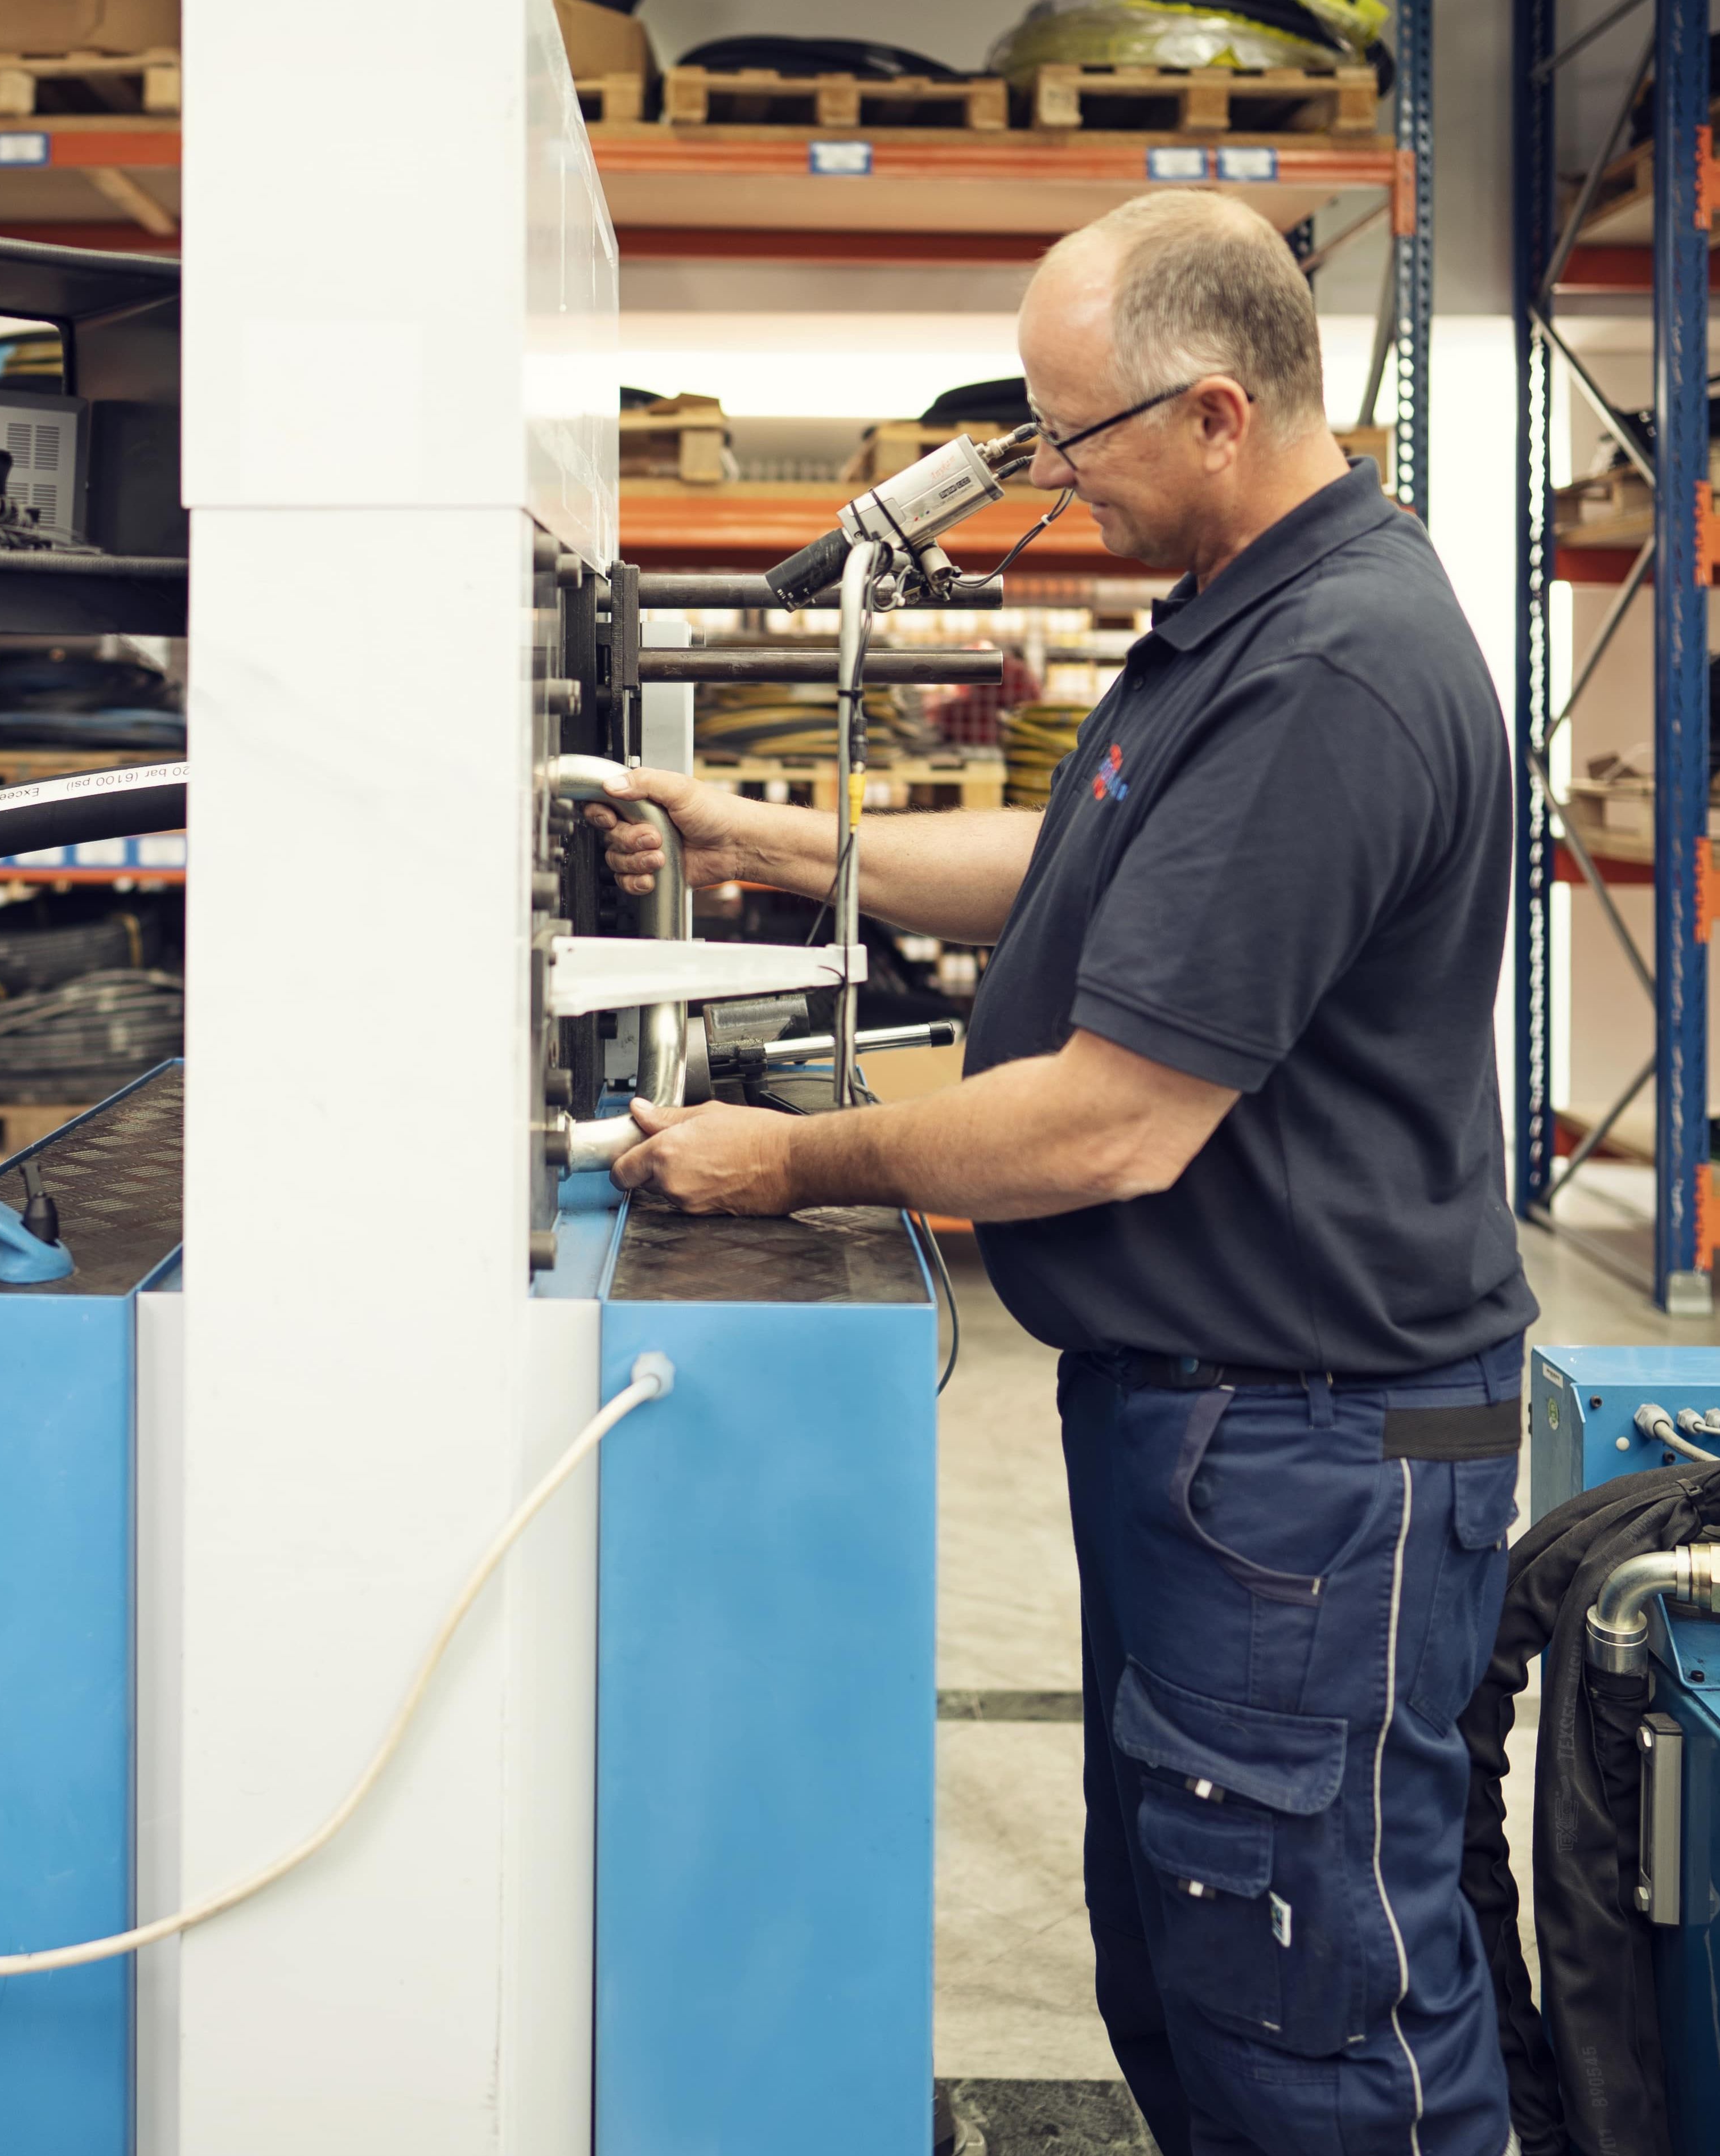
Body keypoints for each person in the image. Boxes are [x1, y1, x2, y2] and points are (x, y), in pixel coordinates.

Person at [589, 192, 1536, 2156]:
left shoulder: (1328, 669)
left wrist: (794, 1162)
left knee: (1312, 1984)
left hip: (1319, 1449)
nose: (1043, 476)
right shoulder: (1246, 618)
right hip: (1249, 1431)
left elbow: (1113, 1117)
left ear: (1210, 413)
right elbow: (1081, 861)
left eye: (1071, 432)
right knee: (1200, 1948)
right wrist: (753, 832)